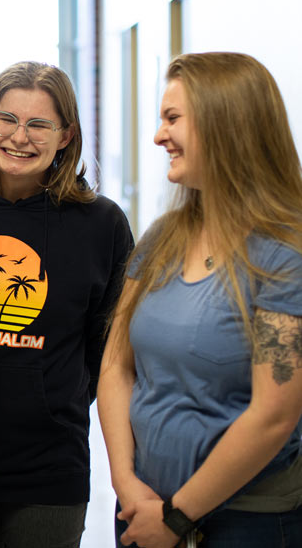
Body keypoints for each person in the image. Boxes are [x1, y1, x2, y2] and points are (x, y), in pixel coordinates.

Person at [98, 52, 302, 548]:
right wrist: (128, 486)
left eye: (172, 119)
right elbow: (115, 367)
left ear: (226, 125)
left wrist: (177, 518)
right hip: (143, 511)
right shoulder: (162, 237)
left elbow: (274, 414)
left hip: (243, 523)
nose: (158, 136)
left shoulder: (284, 256)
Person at [0, 62, 133, 548]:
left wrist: (60, 401)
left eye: (39, 124)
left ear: (65, 136)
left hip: (51, 466)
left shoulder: (100, 224)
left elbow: (111, 348)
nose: (20, 137)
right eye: (7, 119)